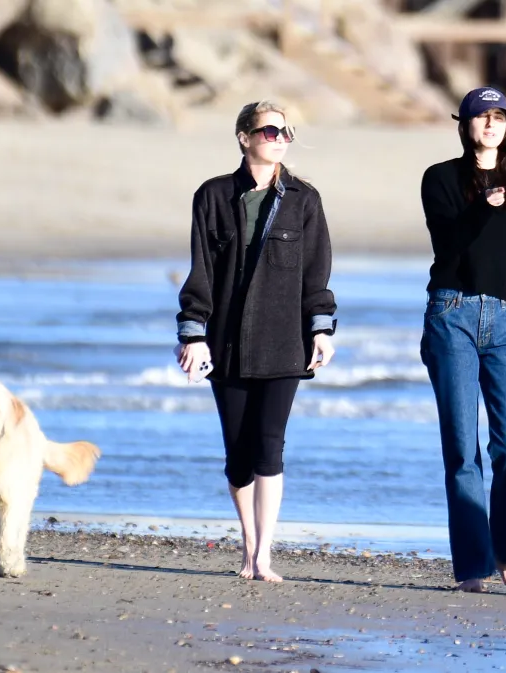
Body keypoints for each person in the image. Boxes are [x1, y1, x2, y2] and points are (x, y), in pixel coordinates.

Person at [175, 101, 337, 582]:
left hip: (284, 343)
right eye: (269, 129)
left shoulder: (304, 200)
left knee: (270, 447)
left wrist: (322, 327)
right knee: (238, 455)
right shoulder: (212, 196)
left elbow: (316, 272)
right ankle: (247, 543)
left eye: (286, 130)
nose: (280, 136)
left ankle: (263, 554)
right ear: (244, 137)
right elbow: (200, 270)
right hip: (224, 342)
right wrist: (193, 334)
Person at [419, 87, 506, 593]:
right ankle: (475, 567)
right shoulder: (441, 179)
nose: (492, 124)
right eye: (482, 116)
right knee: (461, 449)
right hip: (451, 313)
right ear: (465, 124)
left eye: (499, 116)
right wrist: (483, 208)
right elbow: (448, 242)